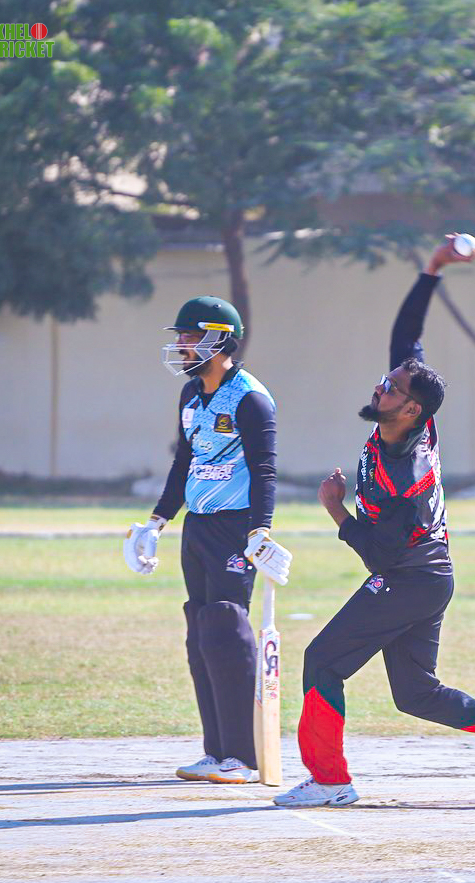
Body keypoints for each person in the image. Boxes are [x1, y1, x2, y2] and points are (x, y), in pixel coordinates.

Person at [273, 236, 475, 809]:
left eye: (392, 388)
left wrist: (336, 510)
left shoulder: (404, 473)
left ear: (410, 409)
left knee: (322, 661)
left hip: (407, 579)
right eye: (387, 380)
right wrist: (433, 268)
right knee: (415, 693)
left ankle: (329, 780)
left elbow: (379, 555)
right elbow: (406, 339)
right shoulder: (413, 419)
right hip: (428, 578)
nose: (380, 386)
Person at [123, 296, 291, 784]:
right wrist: (157, 521)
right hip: (197, 526)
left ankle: (243, 756)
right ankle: (216, 752)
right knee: (200, 633)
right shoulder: (191, 395)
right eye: (180, 336)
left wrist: (261, 529)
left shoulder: (250, 398)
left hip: (235, 527)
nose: (180, 345)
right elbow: (184, 463)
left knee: (224, 625)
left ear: (220, 340)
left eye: (189, 336)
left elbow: (265, 469)